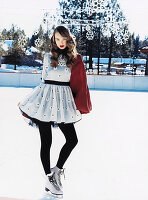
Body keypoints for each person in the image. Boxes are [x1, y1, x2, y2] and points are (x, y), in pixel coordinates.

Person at [18, 25, 92, 198]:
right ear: (53, 40)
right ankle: (48, 178)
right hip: (45, 100)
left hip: (64, 101)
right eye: (57, 39)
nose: (60, 42)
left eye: (64, 39)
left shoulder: (73, 59)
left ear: (68, 40)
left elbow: (78, 81)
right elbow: (43, 80)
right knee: (46, 142)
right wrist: (31, 100)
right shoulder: (47, 57)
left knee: (72, 139)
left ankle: (57, 170)